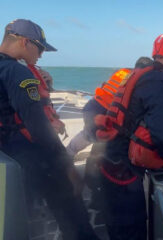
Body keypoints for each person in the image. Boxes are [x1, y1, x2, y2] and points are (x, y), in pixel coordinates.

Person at [89, 32, 163, 240]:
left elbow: (160, 112)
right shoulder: (160, 83)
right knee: (131, 228)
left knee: (116, 223)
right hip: (122, 169)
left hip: (111, 157)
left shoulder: (147, 76)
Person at [0, 19, 99, 239]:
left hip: (7, 154)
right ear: (25, 42)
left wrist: (48, 85)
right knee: (73, 214)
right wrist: (67, 166)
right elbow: (39, 128)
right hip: (31, 156)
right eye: (40, 48)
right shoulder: (18, 74)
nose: (41, 55)